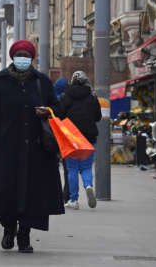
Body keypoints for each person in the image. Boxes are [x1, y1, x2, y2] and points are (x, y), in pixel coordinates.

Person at [0, 40, 64, 253]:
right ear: (13, 57)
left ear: (32, 58)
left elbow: (57, 109)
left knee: (33, 193)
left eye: (27, 55)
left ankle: (24, 235)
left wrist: (48, 111)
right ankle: (9, 228)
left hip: (36, 150)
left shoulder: (42, 82)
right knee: (4, 191)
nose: (23, 58)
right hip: (6, 149)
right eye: (20, 54)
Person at [60, 70, 101, 210]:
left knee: (72, 169)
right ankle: (88, 185)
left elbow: (60, 115)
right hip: (88, 137)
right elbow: (98, 117)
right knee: (86, 167)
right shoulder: (92, 97)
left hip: (71, 137)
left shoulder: (66, 96)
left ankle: (73, 200)